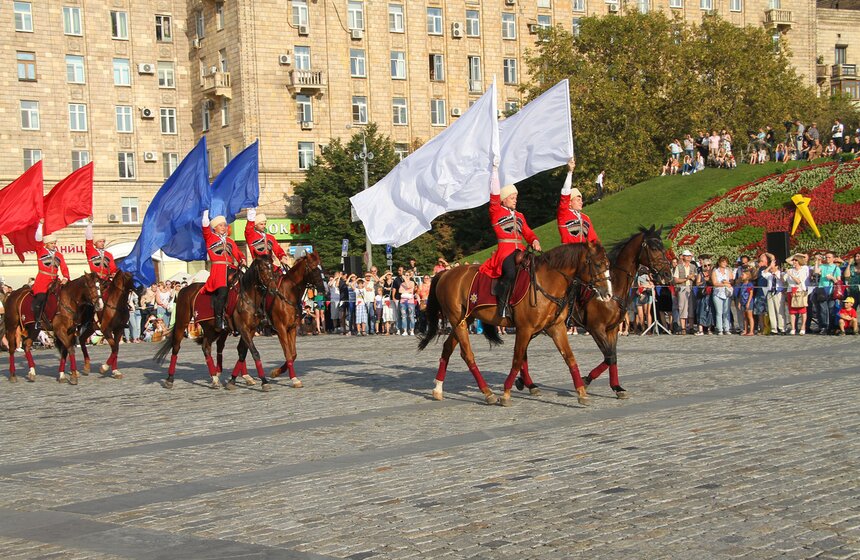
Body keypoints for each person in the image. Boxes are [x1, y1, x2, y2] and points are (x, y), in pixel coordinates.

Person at [479, 165, 540, 318]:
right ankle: (502, 305)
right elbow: (494, 196)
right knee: (510, 273)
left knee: (536, 269)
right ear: (504, 200)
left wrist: (534, 240)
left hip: (521, 250)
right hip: (505, 251)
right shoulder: (496, 211)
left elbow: (527, 232)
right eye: (512, 198)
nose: (515, 200)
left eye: (516, 198)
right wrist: (494, 172)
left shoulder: (520, 215)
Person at [201, 211, 245, 332]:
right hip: (218, 270)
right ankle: (219, 320)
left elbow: (237, 253)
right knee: (223, 292)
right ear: (214, 228)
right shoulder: (210, 237)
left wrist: (242, 259)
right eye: (220, 225)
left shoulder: (230, 241)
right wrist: (205, 214)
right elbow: (205, 229)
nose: (223, 227)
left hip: (231, 268)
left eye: (225, 225)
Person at [32, 220, 70, 332]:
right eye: (52, 243)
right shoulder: (40, 250)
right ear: (46, 244)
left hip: (55, 280)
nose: (54, 245)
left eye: (54, 243)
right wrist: (40, 225)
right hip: (43, 280)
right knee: (41, 298)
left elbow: (64, 267)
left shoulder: (59, 255)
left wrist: (65, 277)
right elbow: (38, 239)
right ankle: (37, 320)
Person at [557, 159, 599, 245]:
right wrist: (570, 172)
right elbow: (565, 193)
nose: (581, 202)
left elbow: (593, 239)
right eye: (578, 200)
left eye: (581, 200)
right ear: (569, 202)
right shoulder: (564, 214)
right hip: (569, 251)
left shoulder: (586, 218)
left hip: (583, 252)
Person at [814, 251, 841, 334]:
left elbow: (839, 281)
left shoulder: (836, 268)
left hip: (831, 290)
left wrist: (833, 278)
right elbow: (816, 271)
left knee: (831, 309)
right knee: (823, 309)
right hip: (822, 289)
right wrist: (816, 261)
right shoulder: (823, 266)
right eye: (826, 257)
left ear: (833, 258)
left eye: (829, 257)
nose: (827, 259)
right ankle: (824, 326)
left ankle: (831, 326)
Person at [672, 250, 696, 334]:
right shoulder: (679, 267)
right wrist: (686, 279)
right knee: (682, 308)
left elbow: (696, 278)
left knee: (691, 308)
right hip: (682, 288)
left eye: (690, 256)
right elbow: (676, 280)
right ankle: (683, 328)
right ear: (683, 257)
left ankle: (691, 327)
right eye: (687, 256)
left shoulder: (693, 266)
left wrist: (692, 277)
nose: (689, 257)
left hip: (691, 288)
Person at [710, 256, 733, 335]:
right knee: (719, 312)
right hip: (718, 293)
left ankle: (727, 328)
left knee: (726, 311)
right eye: (723, 262)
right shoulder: (715, 271)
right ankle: (719, 328)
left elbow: (731, 281)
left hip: (727, 293)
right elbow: (715, 283)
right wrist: (723, 284)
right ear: (719, 262)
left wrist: (728, 282)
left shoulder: (728, 271)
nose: (724, 263)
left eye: (726, 262)